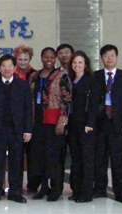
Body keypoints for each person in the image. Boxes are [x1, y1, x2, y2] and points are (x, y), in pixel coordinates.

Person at [0, 54, 32, 204]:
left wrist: (28, 130)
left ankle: (15, 192)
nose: (7, 69)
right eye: (4, 66)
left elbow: (28, 109)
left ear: (14, 68)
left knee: (16, 161)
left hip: (17, 130)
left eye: (10, 66)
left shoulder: (22, 85)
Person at [28, 47, 72, 201]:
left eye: (52, 57)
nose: (48, 60)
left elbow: (67, 100)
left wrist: (62, 121)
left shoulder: (62, 76)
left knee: (54, 158)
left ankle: (56, 188)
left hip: (54, 123)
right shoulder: (34, 76)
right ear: (41, 58)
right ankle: (43, 187)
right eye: (46, 57)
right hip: (38, 122)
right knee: (40, 157)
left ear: (55, 59)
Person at [93, 44, 122, 202]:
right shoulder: (95, 76)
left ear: (116, 57)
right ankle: (100, 188)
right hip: (100, 123)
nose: (109, 58)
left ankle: (121, 190)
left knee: (118, 159)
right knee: (100, 158)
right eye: (106, 55)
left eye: (112, 55)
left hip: (118, 123)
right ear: (101, 58)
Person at [67, 51, 100, 203]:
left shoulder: (91, 80)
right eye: (74, 62)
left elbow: (94, 104)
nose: (77, 65)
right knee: (76, 158)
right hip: (72, 124)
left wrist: (90, 123)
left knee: (86, 158)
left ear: (85, 64)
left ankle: (86, 192)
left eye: (80, 62)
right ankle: (76, 189)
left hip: (86, 125)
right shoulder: (70, 79)